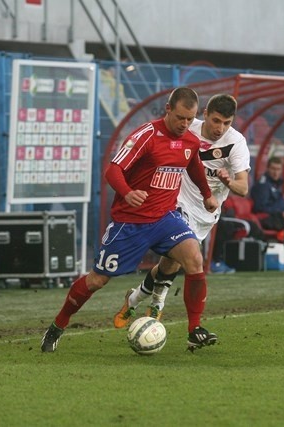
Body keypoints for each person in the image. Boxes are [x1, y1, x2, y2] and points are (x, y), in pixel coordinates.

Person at [40, 87, 220, 353]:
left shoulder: (190, 141)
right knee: (97, 281)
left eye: (189, 119)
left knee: (194, 259)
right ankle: (58, 324)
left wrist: (207, 195)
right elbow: (113, 170)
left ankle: (194, 330)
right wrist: (128, 192)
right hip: (131, 222)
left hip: (166, 217)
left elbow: (192, 164)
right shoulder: (146, 135)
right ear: (168, 109)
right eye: (180, 117)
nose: (184, 124)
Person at [112, 93, 250, 327]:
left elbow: (243, 187)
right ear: (204, 114)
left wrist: (228, 183)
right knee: (182, 257)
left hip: (206, 211)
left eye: (227, 123)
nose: (220, 128)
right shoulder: (186, 125)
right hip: (177, 201)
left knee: (169, 264)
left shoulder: (236, 143)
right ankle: (159, 304)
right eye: (216, 121)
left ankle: (135, 298)